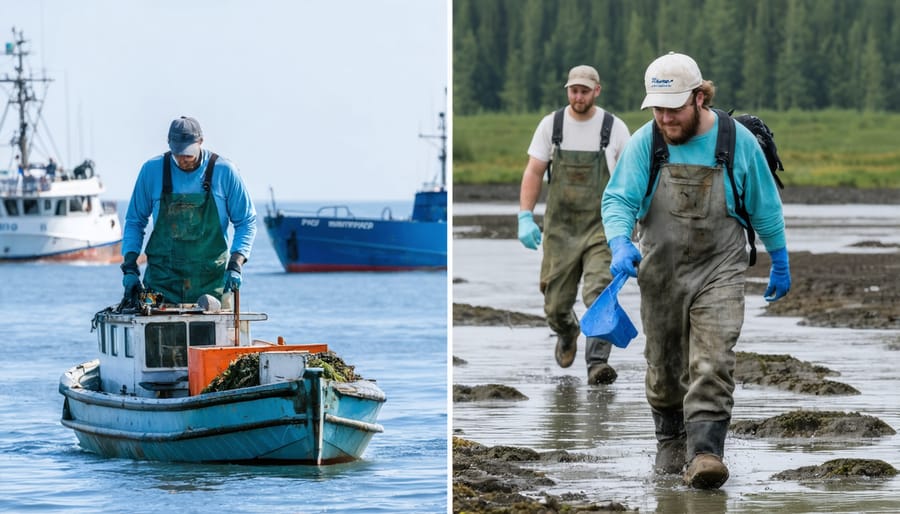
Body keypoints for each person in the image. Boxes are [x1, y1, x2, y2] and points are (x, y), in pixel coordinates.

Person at [601, 52, 791, 489]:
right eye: (658, 109)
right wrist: (618, 241)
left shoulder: (737, 140)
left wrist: (779, 259)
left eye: (674, 108)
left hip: (720, 269)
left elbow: (765, 205)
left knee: (713, 359)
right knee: (664, 365)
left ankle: (705, 453)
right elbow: (618, 200)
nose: (665, 118)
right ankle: (670, 443)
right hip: (659, 271)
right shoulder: (645, 143)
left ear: (700, 97)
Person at [517, 65, 631, 385]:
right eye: (573, 90)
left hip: (602, 227)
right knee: (555, 306)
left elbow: (631, 178)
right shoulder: (552, 125)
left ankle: (597, 364)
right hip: (560, 230)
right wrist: (525, 215)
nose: (578, 96)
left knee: (599, 295)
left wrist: (633, 224)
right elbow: (534, 171)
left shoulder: (615, 128)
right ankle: (567, 332)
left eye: (584, 90)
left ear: (597, 90)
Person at [121, 116, 257, 305]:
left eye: (188, 154)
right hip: (160, 283)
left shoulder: (225, 171)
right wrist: (130, 267)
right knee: (146, 313)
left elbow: (246, 222)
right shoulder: (151, 171)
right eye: (178, 154)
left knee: (224, 329)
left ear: (200, 142)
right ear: (169, 145)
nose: (183, 159)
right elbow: (135, 222)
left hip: (213, 285)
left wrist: (236, 264)